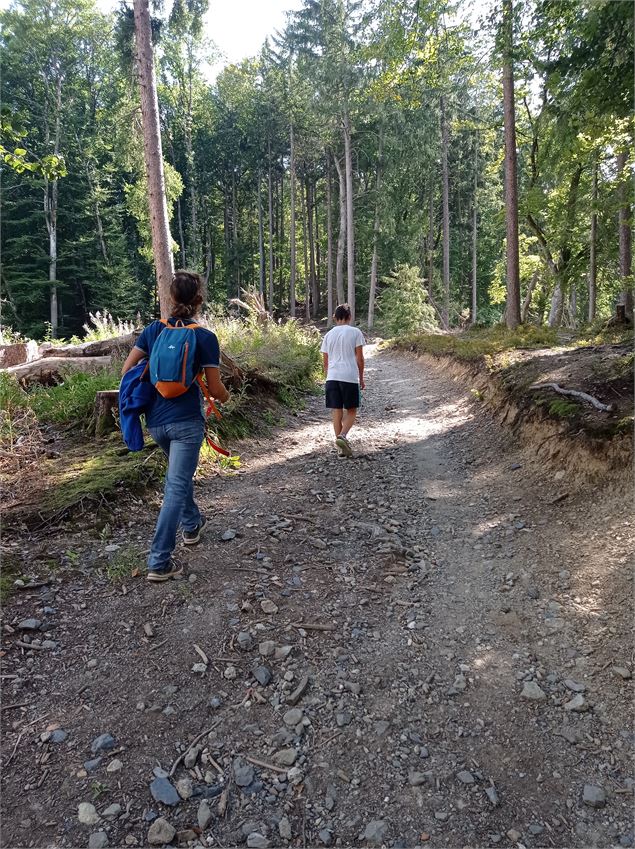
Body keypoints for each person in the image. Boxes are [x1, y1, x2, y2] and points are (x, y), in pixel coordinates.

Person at [121, 270, 230, 582]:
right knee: (176, 485)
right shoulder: (204, 337)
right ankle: (159, 561)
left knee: (178, 479)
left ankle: (192, 524)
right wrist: (225, 396)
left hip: (156, 421)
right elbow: (215, 386)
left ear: (170, 298)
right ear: (199, 301)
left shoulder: (153, 330)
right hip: (186, 422)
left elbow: (128, 369)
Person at [320, 304, 365, 457]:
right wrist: (362, 377)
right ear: (349, 317)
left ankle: (341, 450)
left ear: (334, 317)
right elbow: (360, 358)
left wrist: (328, 376)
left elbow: (325, 362)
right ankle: (343, 436)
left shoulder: (328, 335)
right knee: (351, 410)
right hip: (349, 377)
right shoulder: (355, 332)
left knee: (336, 410)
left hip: (332, 377)